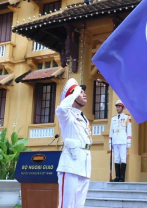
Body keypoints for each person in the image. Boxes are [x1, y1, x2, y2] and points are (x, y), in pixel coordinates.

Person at [56, 78, 91, 208]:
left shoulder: (83, 118)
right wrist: (75, 92)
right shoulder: (67, 115)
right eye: (80, 92)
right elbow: (61, 108)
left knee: (78, 206)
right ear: (73, 96)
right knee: (66, 205)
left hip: (84, 167)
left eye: (82, 92)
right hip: (70, 166)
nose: (84, 94)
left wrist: (76, 91)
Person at [109, 100, 132, 182]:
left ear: (122, 108)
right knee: (116, 158)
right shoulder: (113, 118)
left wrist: (129, 141)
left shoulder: (127, 117)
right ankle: (117, 176)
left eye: (119, 107)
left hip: (123, 140)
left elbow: (129, 129)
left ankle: (122, 177)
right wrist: (110, 142)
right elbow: (111, 131)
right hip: (115, 140)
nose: (117, 108)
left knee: (123, 158)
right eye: (117, 107)